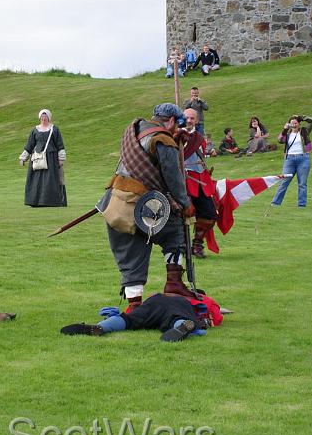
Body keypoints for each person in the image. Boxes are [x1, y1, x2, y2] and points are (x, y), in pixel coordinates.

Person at [100, 103, 195, 311]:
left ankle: (134, 305)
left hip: (114, 201)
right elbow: (173, 177)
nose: (177, 130)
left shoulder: (136, 130)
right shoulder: (163, 139)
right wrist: (185, 204)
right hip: (142, 206)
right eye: (177, 125)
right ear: (170, 121)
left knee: (130, 252)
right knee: (175, 228)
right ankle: (174, 283)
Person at [60, 292, 222, 343]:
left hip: (154, 301)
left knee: (128, 320)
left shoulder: (165, 293)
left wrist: (115, 314)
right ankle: (184, 326)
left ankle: (102, 327)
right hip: (179, 307)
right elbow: (216, 315)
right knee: (177, 319)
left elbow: (132, 312)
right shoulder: (199, 299)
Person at [182, 108, 217, 258]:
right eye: (187, 118)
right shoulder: (175, 135)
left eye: (192, 118)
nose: (189, 121)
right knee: (182, 214)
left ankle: (197, 244)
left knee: (209, 215)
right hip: (182, 179)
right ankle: (180, 245)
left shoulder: (199, 137)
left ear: (196, 120)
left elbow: (203, 154)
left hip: (200, 179)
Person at [19, 109, 67, 207]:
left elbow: (60, 144)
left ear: (49, 118)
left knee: (50, 180)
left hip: (51, 159)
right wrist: (23, 158)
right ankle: (36, 201)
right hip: (37, 158)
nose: (43, 119)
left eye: (45, 117)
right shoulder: (35, 130)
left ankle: (50, 202)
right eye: (42, 117)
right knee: (36, 180)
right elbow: (30, 145)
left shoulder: (54, 129)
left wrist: (61, 158)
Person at [271, 115, 312, 208]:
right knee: (284, 181)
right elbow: (280, 140)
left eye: (295, 123)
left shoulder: (304, 131)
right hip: (290, 159)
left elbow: (311, 121)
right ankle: (275, 203)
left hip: (303, 158)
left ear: (299, 124)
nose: (294, 125)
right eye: (292, 123)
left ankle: (301, 204)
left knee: (302, 183)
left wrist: (301, 117)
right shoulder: (287, 134)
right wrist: (284, 129)